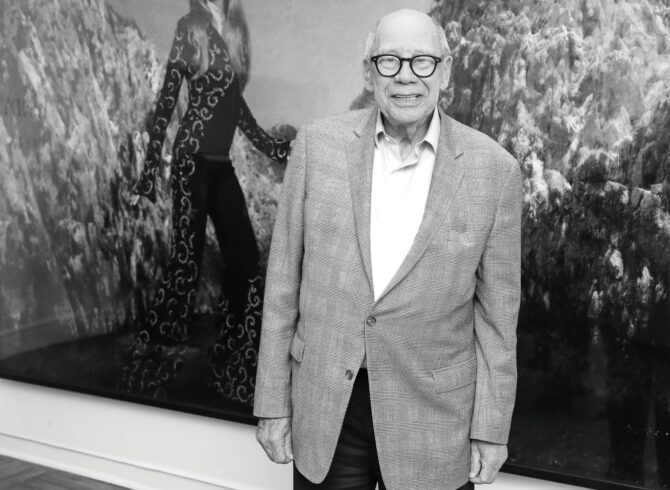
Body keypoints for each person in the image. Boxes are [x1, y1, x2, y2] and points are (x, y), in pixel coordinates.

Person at [253, 9, 522, 490]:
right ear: (368, 71)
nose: (405, 77)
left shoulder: (495, 172)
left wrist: (492, 427)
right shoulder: (316, 147)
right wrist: (272, 401)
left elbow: (498, 319)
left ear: (445, 70)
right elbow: (281, 286)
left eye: (422, 61)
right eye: (390, 60)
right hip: (328, 411)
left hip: (435, 419)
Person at [123, 0, 291, 405]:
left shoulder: (232, 32)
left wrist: (281, 149)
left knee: (246, 263)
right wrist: (148, 173)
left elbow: (237, 110)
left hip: (220, 166)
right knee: (185, 267)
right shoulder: (191, 26)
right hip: (190, 163)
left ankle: (232, 371)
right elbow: (166, 102)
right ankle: (147, 377)